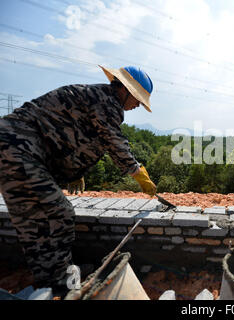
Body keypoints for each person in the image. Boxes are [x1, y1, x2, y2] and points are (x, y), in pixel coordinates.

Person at [0, 65, 157, 293]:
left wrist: (75, 172)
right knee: (60, 214)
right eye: (137, 100)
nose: (136, 106)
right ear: (125, 90)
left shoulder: (96, 97)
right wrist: (136, 171)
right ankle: (61, 282)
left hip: (11, 146)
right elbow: (112, 140)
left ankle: (50, 280)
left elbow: (78, 139)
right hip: (18, 149)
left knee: (32, 222)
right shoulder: (107, 102)